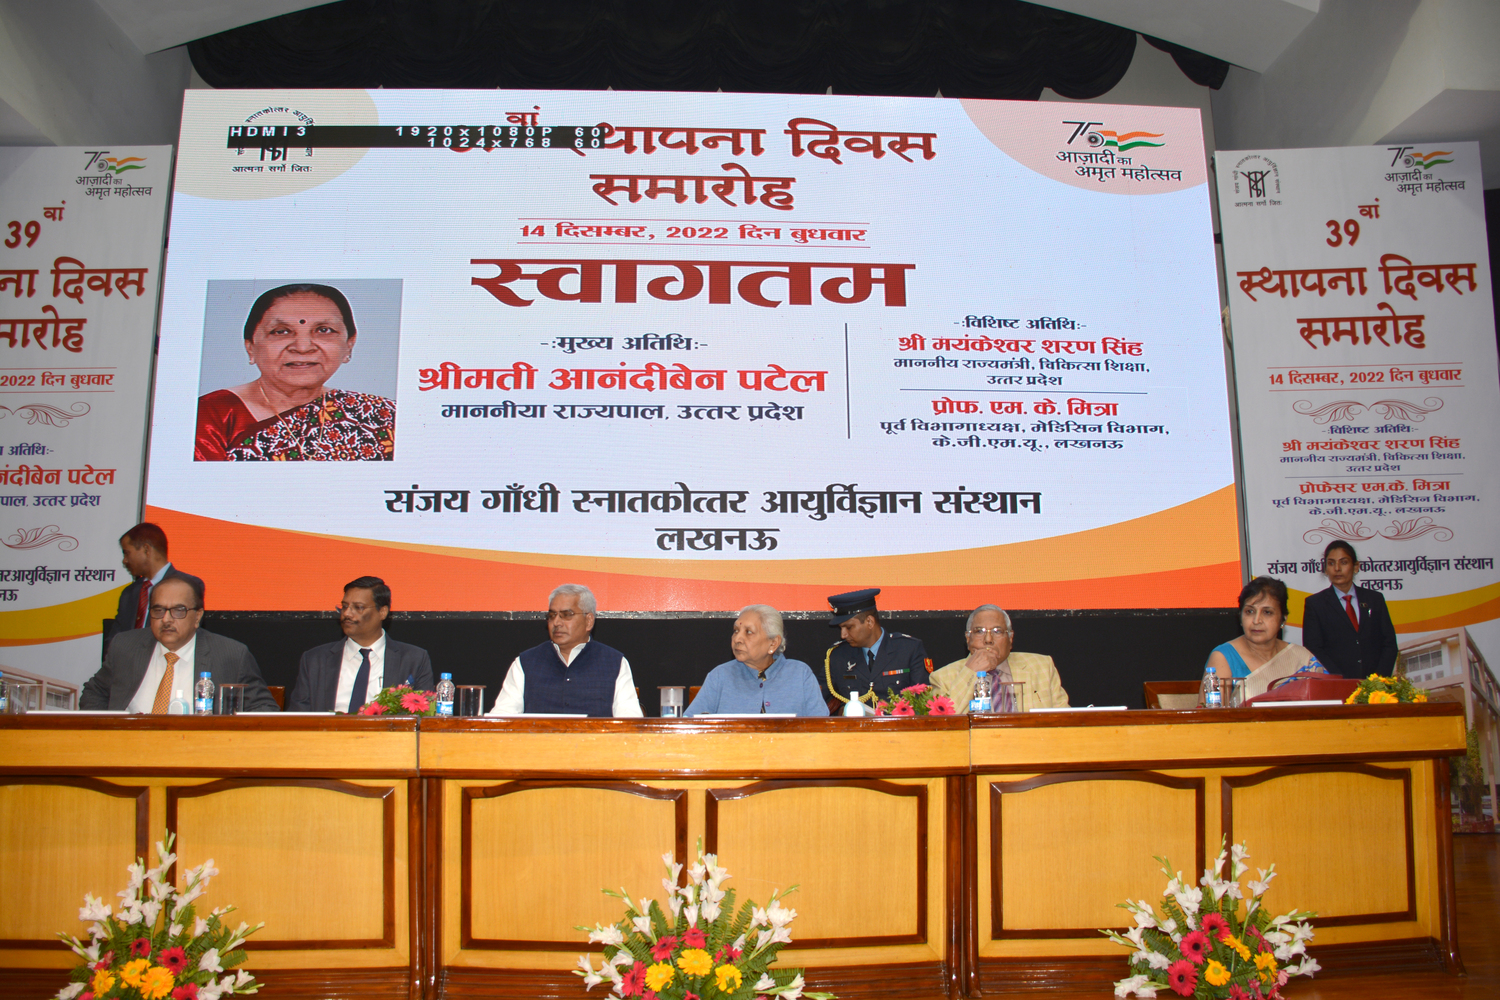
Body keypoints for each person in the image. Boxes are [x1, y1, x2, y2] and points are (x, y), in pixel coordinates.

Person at [194, 282, 395, 461]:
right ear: (250, 347)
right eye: (281, 331)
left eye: (323, 330)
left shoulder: (382, 415)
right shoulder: (210, 416)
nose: (303, 347)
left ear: (349, 344)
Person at [80, 576, 277, 712]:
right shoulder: (125, 646)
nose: (166, 619)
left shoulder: (230, 655)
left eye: (178, 610)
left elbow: (263, 709)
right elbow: (94, 693)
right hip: (130, 748)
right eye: (158, 610)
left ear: (197, 616)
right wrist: (105, 732)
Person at [487, 584, 643, 717]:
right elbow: (501, 719)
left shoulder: (614, 663)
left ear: (589, 621)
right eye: (552, 615)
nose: (556, 622)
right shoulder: (526, 662)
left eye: (566, 615)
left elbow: (630, 723)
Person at [285, 576, 435, 713]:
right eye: (344, 606)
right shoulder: (315, 660)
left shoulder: (414, 659)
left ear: (382, 612)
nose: (347, 614)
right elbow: (298, 717)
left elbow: (424, 716)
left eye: (358, 607)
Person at [685, 605, 829, 717]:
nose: (737, 639)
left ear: (773, 643)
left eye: (748, 632)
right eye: (736, 630)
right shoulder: (720, 676)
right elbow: (689, 726)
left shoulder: (800, 674)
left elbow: (823, 729)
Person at [929, 604, 1069, 712]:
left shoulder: (1041, 667)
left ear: (1010, 638)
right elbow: (944, 725)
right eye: (979, 631)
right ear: (968, 639)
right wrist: (970, 672)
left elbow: (1067, 722)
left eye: (997, 631)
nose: (988, 640)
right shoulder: (943, 678)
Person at [1206, 577, 1322, 702]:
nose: (1256, 621)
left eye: (1267, 612)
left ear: (1283, 619)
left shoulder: (1302, 658)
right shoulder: (1223, 657)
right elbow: (1211, 712)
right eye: (1249, 611)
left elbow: (1326, 705)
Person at [820, 588, 930, 711]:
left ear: (869, 622)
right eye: (841, 628)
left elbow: (923, 702)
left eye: (849, 627)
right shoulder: (838, 656)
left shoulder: (909, 650)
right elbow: (816, 699)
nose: (843, 635)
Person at [1301, 541, 1399, 676]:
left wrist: (1378, 681)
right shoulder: (1316, 604)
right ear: (1325, 569)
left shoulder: (1374, 599)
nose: (1337, 568)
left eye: (1344, 562)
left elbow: (1389, 644)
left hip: (1375, 684)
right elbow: (1314, 649)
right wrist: (1340, 681)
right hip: (1336, 684)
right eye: (1331, 563)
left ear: (1356, 566)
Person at [108, 522, 205, 645]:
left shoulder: (188, 585)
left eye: (127, 553)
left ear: (146, 550)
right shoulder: (130, 593)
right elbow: (114, 639)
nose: (125, 560)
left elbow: (186, 635)